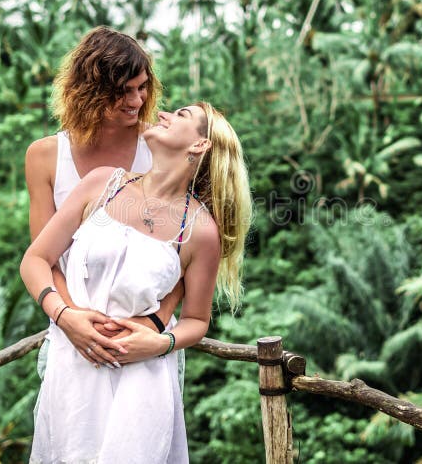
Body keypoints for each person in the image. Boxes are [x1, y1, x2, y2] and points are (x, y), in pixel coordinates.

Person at [21, 101, 252, 462]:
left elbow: (197, 320)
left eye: (181, 116)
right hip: (73, 367)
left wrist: (159, 343)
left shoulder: (200, 231)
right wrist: (65, 316)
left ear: (199, 145)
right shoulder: (102, 184)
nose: (162, 113)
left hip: (142, 381)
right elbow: (35, 260)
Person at [24, 26, 183, 369]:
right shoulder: (45, 156)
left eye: (143, 88)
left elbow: (188, 248)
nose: (138, 101)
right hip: (71, 337)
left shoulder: (158, 147)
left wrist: (153, 324)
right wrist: (71, 320)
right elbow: (43, 258)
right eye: (125, 91)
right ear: (91, 91)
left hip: (142, 341)